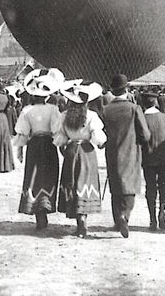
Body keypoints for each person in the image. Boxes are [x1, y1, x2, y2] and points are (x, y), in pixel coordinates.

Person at [53, 81, 107, 238]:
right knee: (85, 183)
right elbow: (98, 137)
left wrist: (63, 146)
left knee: (72, 182)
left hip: (71, 151)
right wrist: (102, 144)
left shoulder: (64, 116)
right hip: (86, 151)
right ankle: (84, 217)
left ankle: (78, 219)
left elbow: (60, 137)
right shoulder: (91, 116)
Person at [101, 73, 151, 238]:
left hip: (112, 152)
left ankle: (117, 220)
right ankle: (125, 215)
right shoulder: (134, 108)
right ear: (127, 89)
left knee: (115, 185)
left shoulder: (106, 110)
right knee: (129, 186)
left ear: (113, 91)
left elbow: (102, 133)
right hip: (130, 151)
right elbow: (145, 134)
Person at [14, 69, 64, 230]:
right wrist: (61, 145)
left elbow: (22, 132)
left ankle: (38, 215)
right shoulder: (53, 109)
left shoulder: (26, 110)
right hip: (48, 145)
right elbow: (57, 130)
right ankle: (45, 206)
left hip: (34, 145)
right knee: (48, 175)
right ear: (47, 94)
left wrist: (20, 150)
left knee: (34, 176)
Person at [140, 91, 165, 231]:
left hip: (147, 158)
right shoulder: (164, 117)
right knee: (164, 185)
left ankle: (152, 218)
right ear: (155, 102)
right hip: (164, 158)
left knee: (150, 187)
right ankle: (162, 209)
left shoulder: (142, 118)